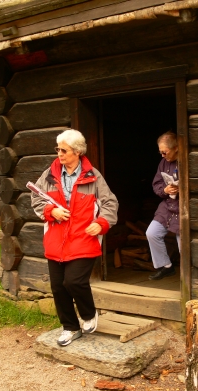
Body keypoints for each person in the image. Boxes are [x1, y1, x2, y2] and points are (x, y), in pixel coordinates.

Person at [31, 129, 118, 346]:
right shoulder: (49, 174)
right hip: (56, 239)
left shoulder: (93, 176)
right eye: (58, 149)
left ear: (77, 152)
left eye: (64, 150)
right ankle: (70, 328)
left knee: (74, 281)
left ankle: (88, 314)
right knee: (58, 287)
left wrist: (101, 223)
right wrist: (51, 211)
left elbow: (110, 203)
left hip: (83, 238)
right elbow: (36, 199)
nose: (59, 154)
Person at [146, 131, 181, 280]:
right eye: (160, 152)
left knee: (184, 247)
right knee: (152, 233)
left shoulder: (188, 160)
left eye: (164, 152)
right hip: (168, 206)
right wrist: (165, 190)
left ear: (176, 148)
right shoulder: (163, 163)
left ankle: (190, 278)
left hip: (184, 209)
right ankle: (166, 266)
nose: (162, 155)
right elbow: (156, 184)